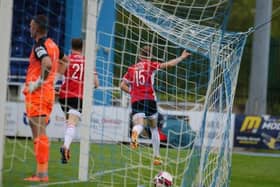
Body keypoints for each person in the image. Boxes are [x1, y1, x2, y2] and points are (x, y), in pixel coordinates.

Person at [120, 46, 190, 165]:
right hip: (150, 99)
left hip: (136, 100)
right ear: (150, 55)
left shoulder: (131, 69)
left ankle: (135, 134)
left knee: (139, 124)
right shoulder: (150, 65)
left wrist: (133, 92)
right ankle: (157, 157)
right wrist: (181, 57)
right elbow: (169, 65)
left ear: (139, 56)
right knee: (153, 128)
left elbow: (122, 85)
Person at [23, 15, 69, 182]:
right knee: (39, 134)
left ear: (36, 28)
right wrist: (55, 78)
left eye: (31, 25)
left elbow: (47, 64)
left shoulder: (40, 46)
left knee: (39, 134)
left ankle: (42, 174)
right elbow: (66, 61)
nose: (29, 28)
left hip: (38, 94)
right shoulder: (54, 45)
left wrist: (38, 82)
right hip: (46, 93)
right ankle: (40, 173)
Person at [58, 38, 99, 164]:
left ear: (71, 46)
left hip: (64, 95)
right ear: (83, 47)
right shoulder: (88, 62)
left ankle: (67, 147)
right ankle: (65, 146)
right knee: (72, 123)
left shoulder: (67, 59)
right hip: (78, 96)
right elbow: (96, 84)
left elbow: (60, 74)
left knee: (69, 122)